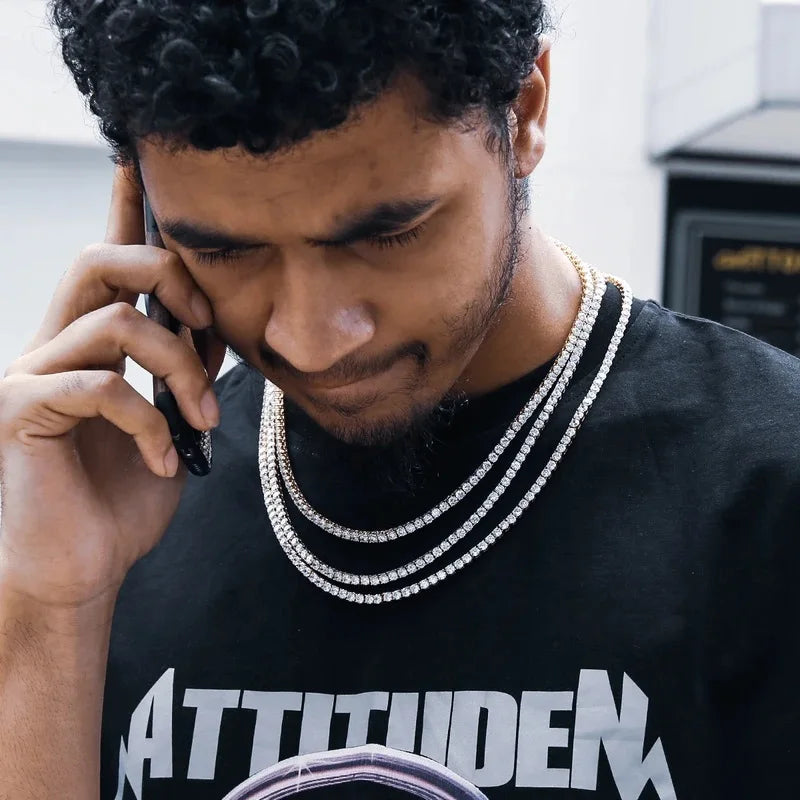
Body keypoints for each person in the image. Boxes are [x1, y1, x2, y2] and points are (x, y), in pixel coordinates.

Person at [0, 1, 797, 798]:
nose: (312, 340)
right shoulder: (106, 507)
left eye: (386, 235)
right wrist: (49, 607)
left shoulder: (765, 485)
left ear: (523, 113)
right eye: (222, 250)